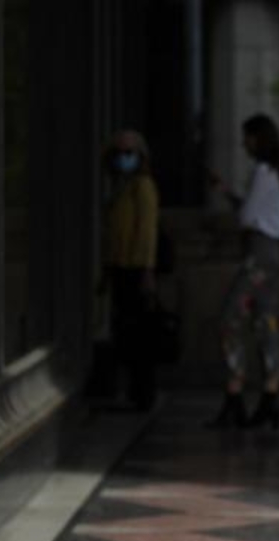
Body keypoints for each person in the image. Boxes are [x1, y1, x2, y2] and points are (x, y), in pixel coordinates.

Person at [206, 113, 279, 430]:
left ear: (258, 138)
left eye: (247, 137)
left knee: (230, 319)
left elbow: (247, 216)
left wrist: (235, 202)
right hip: (272, 253)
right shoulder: (277, 171)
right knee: (264, 321)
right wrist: (229, 193)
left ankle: (236, 388)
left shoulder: (263, 171)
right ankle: (271, 390)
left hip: (259, 253)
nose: (244, 144)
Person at [100, 128, 160, 411]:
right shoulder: (121, 187)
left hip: (135, 268)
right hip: (121, 266)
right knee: (126, 330)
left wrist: (146, 268)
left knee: (137, 333)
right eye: (119, 153)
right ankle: (134, 390)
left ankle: (142, 392)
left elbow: (147, 230)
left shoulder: (142, 186)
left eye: (129, 153)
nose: (123, 158)